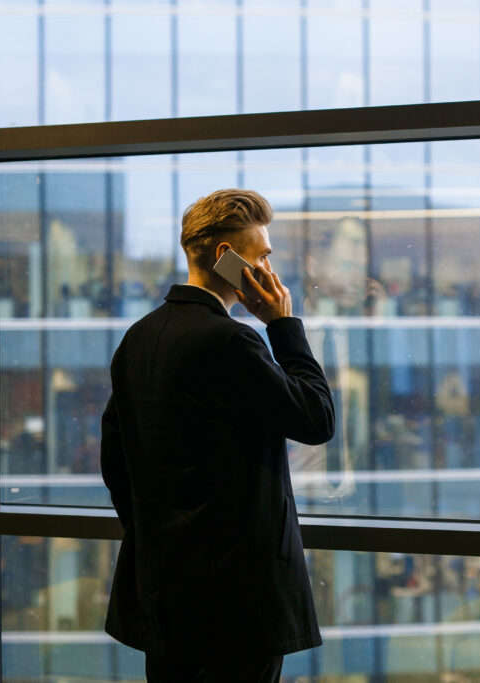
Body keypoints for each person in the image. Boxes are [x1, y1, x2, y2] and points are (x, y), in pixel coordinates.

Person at [100, 188, 335, 682]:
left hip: (163, 597)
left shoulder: (138, 337)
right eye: (263, 253)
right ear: (227, 258)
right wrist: (284, 324)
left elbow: (115, 460)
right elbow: (316, 419)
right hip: (236, 607)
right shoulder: (230, 340)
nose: (270, 264)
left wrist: (161, 539)